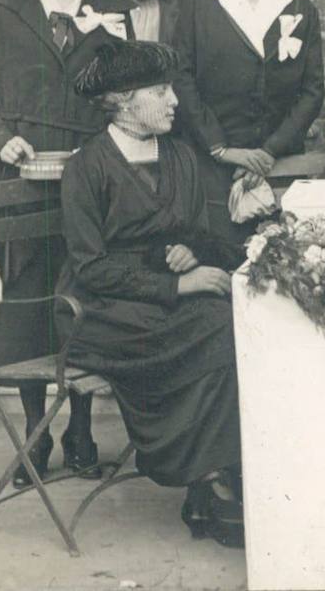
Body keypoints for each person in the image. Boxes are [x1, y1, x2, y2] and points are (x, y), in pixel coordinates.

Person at [0, 0, 135, 487]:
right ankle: (39, 436)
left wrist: (110, 143)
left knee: (88, 290)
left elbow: (130, 80)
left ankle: (83, 428)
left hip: (94, 168)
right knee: (33, 302)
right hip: (21, 169)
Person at [61, 39, 246, 547]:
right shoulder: (87, 167)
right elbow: (89, 267)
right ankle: (209, 478)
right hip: (104, 310)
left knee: (231, 321)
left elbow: (202, 232)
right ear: (122, 101)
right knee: (213, 326)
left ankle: (213, 476)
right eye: (160, 91)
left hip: (166, 300)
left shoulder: (181, 155)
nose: (174, 101)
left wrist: (190, 249)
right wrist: (176, 284)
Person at [171, 0, 323, 237]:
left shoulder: (300, 5)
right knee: (219, 251)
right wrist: (223, 150)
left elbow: (312, 92)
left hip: (279, 159)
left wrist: (268, 152)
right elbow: (181, 78)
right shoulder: (202, 2)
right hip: (214, 162)